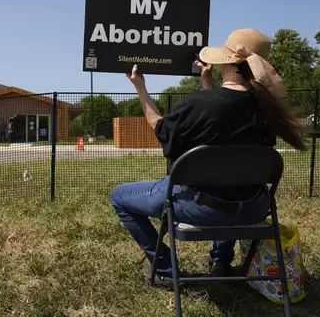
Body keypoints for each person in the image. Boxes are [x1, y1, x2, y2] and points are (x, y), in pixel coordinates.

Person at [110, 28, 307, 288]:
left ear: (232, 64)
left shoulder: (198, 103)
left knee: (119, 197)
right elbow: (224, 122)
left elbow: (160, 127)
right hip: (253, 207)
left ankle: (167, 270)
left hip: (202, 208)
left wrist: (141, 88)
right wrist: (207, 82)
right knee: (231, 180)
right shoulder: (267, 111)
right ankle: (221, 260)